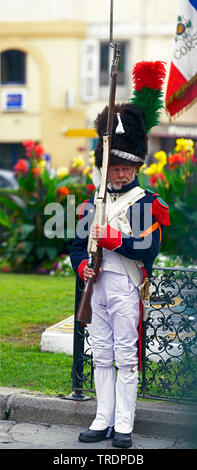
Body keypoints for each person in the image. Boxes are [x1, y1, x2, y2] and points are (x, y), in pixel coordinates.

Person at [70, 61, 170, 448]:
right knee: (101, 355)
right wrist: (83, 266)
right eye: (115, 167)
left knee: (126, 357)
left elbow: (149, 250)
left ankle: (124, 425)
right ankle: (101, 418)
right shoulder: (90, 203)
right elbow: (78, 247)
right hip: (96, 288)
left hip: (128, 285)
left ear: (137, 167)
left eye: (129, 167)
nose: (122, 174)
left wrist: (114, 240)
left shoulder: (147, 202)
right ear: (104, 167)